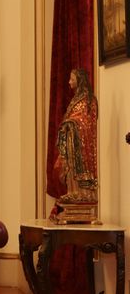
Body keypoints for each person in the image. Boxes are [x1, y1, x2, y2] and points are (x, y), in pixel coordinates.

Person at [53, 68, 98, 204]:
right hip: (72, 142)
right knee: (71, 169)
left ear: (79, 80)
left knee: (78, 170)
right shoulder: (76, 99)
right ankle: (72, 194)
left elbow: (85, 120)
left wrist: (70, 122)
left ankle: (81, 195)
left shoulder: (87, 99)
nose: (69, 82)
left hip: (81, 146)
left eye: (72, 79)